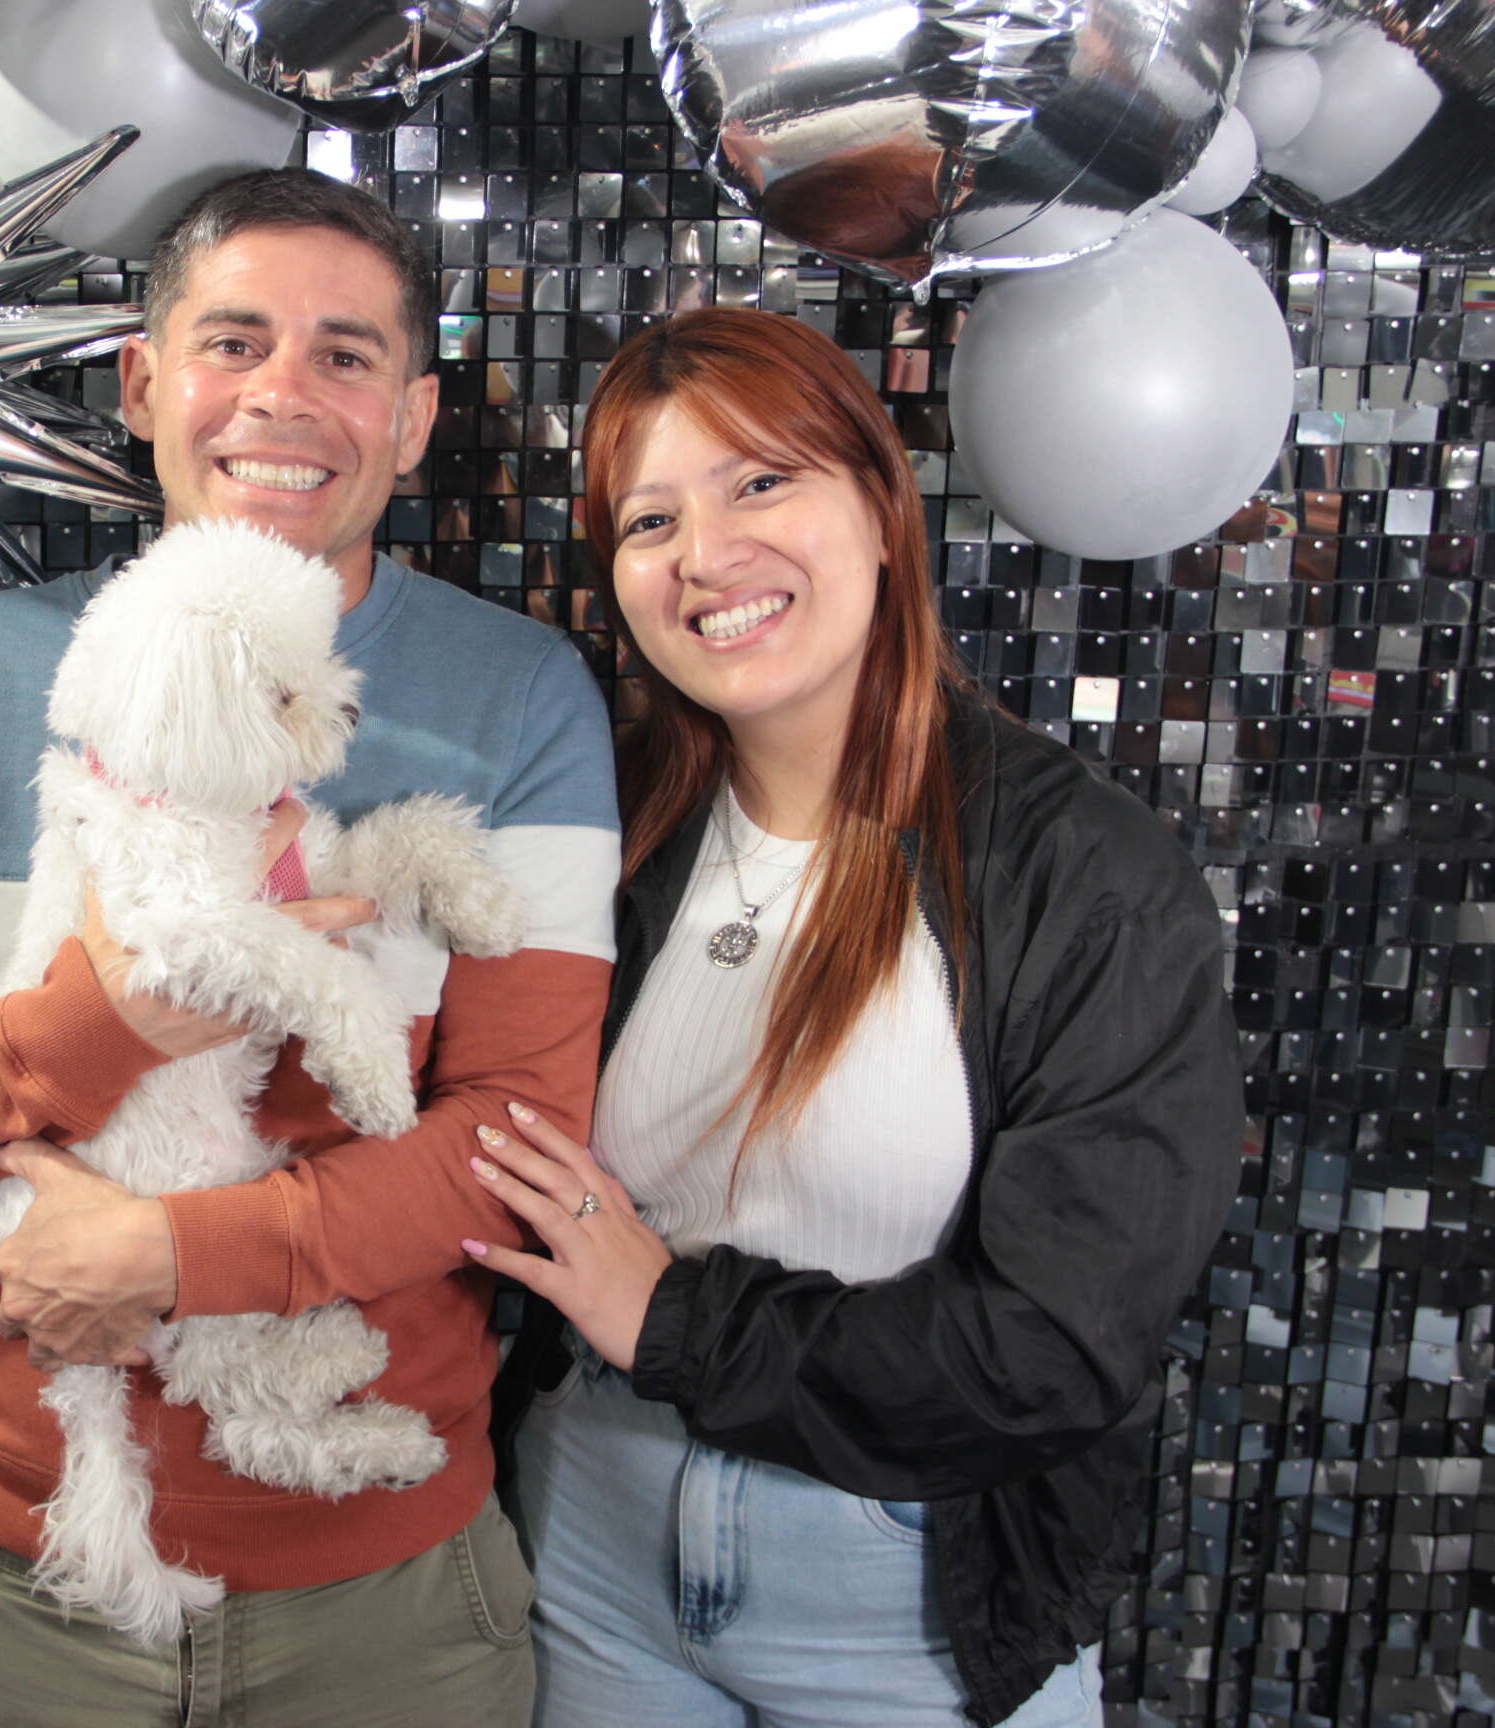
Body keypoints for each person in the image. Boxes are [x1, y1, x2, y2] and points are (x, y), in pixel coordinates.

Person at [0, 168, 619, 1727]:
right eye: (233, 342)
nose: (281, 394)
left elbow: (517, 1144)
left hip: (387, 1605)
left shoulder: (521, 698)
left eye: (345, 355)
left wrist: (162, 1261)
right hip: (26, 1586)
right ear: (144, 382)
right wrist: (102, 1025)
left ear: (413, 419)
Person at [467, 307, 1243, 1727]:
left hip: (913, 1588)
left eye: (761, 482)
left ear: (883, 507)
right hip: (591, 1543)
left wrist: (676, 1320)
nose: (707, 556)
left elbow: (1060, 1346)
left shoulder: (1086, 875)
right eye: (651, 519)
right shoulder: (599, 826)